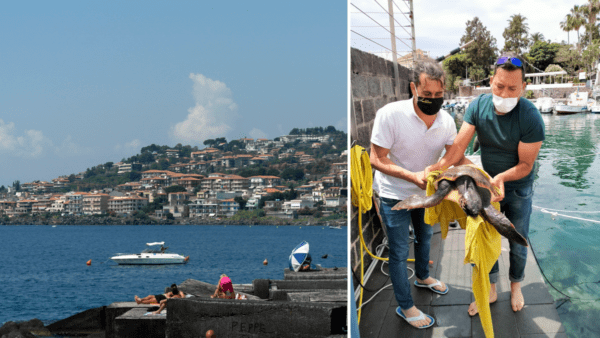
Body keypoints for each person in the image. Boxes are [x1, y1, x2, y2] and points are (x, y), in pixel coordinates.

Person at [426, 53, 545, 316]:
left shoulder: (531, 117)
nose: (505, 93)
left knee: (517, 237)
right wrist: (440, 167)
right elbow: (458, 147)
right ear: (491, 81)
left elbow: (526, 165)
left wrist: (501, 178)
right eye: (500, 86)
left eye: (513, 88)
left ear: (523, 87)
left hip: (517, 186)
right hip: (485, 185)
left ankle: (515, 285)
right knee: (481, 236)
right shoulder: (477, 106)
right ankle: (490, 287)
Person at [369, 60, 470, 329]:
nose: (433, 101)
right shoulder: (390, 115)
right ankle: (405, 306)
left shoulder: (447, 120)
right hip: (395, 194)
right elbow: (376, 159)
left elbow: (454, 153)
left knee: (425, 238)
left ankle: (423, 276)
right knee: (400, 251)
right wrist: (412, 176)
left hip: (427, 194)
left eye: (439, 96)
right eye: (427, 95)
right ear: (413, 88)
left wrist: (475, 179)